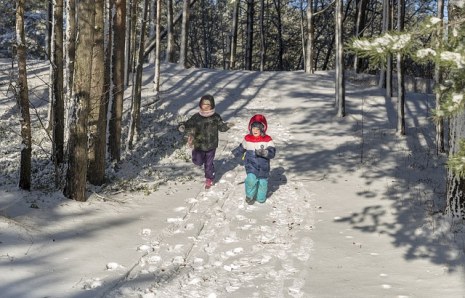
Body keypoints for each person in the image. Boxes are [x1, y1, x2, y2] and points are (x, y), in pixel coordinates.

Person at [178, 94, 233, 189]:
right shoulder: (197, 117)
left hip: (211, 144)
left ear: (212, 106)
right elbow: (188, 124)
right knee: (197, 161)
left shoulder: (216, 117)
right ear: (200, 105)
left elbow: (221, 127)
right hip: (199, 144)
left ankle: (209, 179)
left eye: (209, 105)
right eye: (204, 104)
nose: (206, 107)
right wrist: (182, 126)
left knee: (208, 163)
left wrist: (227, 126)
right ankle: (203, 162)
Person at [232, 114, 276, 204]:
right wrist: (235, 152)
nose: (255, 130)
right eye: (253, 128)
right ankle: (249, 195)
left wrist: (265, 152)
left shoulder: (267, 140)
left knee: (262, 183)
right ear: (250, 128)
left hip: (263, 166)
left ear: (262, 129)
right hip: (251, 165)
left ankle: (261, 198)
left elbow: (272, 152)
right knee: (251, 180)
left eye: (257, 129)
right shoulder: (248, 139)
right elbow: (242, 147)